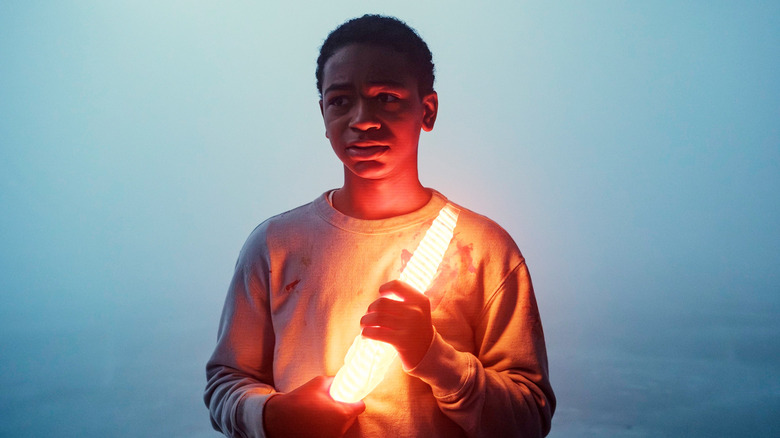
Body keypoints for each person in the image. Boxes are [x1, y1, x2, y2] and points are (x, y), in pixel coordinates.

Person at [205, 14, 555, 438]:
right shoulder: (274, 246)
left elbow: (529, 419)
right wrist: (272, 416)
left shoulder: (484, 250)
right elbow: (226, 381)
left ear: (427, 110)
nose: (362, 119)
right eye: (340, 101)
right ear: (323, 113)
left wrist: (432, 356)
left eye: (386, 98)